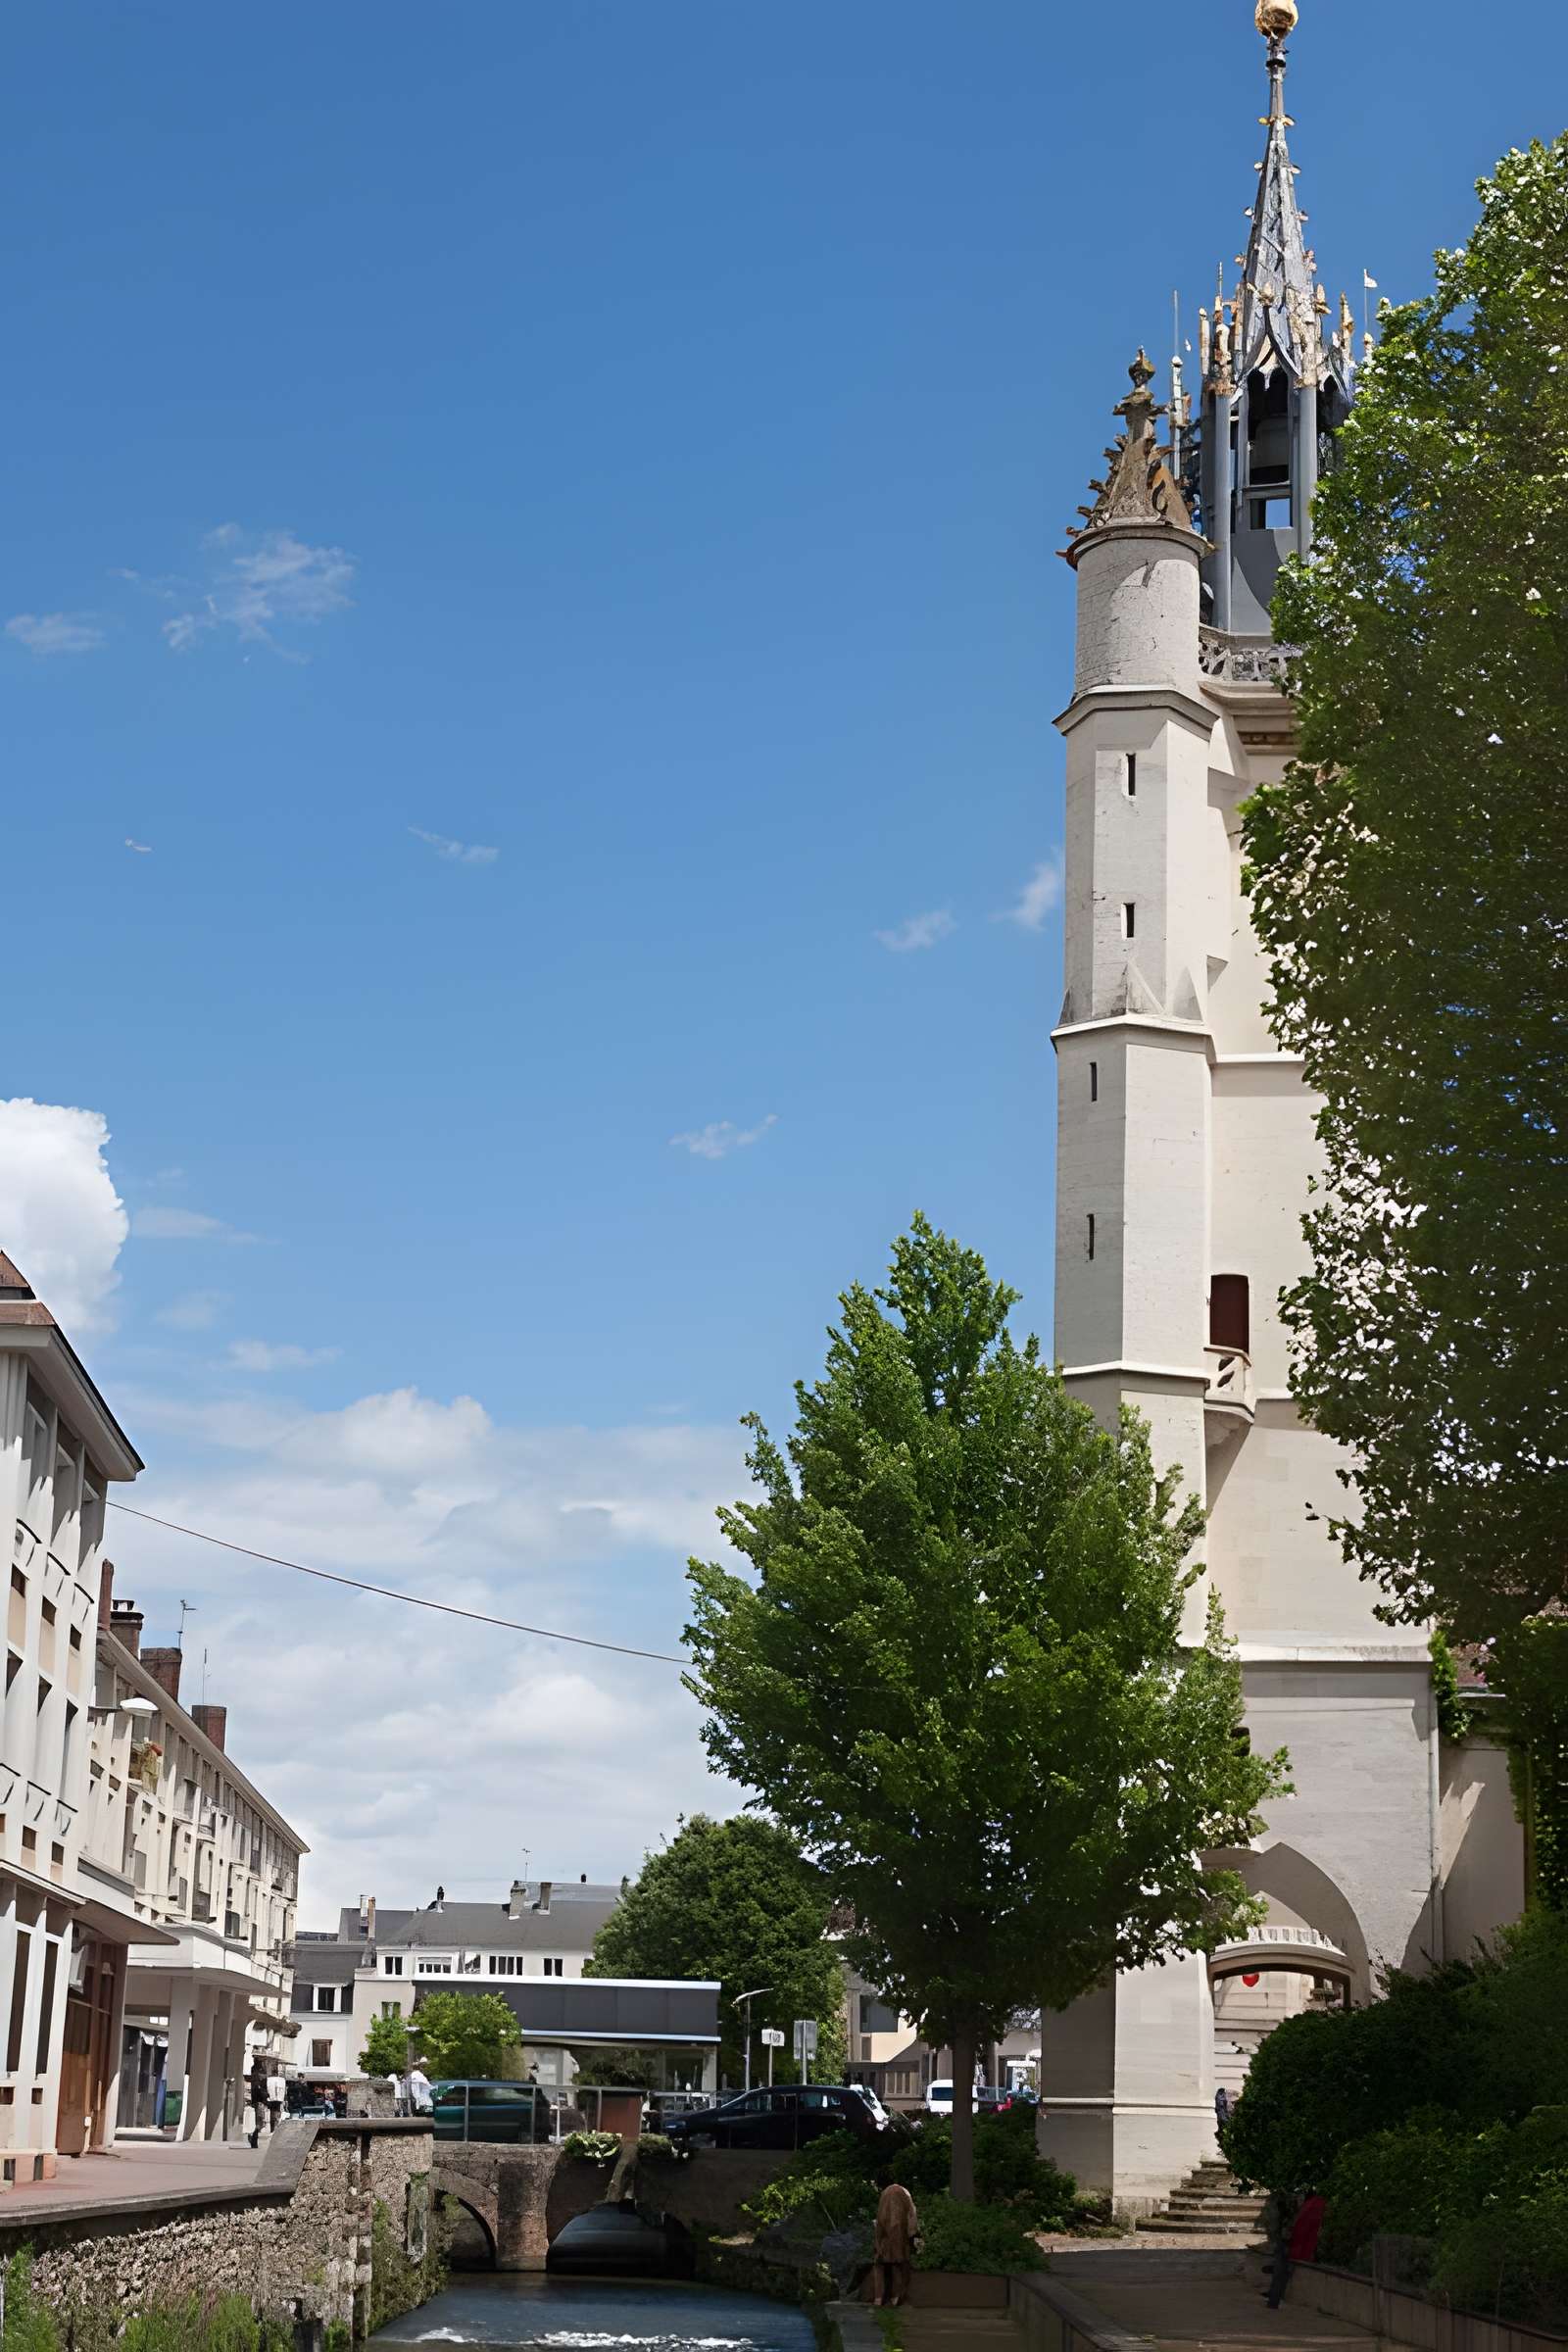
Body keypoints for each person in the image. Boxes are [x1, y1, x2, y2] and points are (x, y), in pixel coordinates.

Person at [1265, 2190, 1326, 2309]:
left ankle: (1274, 2298)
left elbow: (1298, 2231)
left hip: (1289, 2245)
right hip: (1292, 2246)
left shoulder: (1305, 2209)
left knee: (1280, 2273)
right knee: (1281, 2273)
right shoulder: (1311, 2208)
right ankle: (1274, 2297)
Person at [872, 2182, 920, 2309]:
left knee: (880, 2265)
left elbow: (880, 2220)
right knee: (899, 2265)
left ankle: (878, 2299)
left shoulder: (885, 2194)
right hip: (899, 2238)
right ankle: (895, 2298)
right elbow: (912, 2218)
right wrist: (914, 2234)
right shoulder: (904, 2193)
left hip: (885, 2238)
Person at [248, 2057, 270, 2150]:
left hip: (256, 2101)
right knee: (259, 2122)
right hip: (259, 2102)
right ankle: (253, 2138)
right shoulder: (259, 2075)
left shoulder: (254, 2072)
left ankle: (253, 2138)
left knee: (258, 2122)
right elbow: (261, 2090)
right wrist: (265, 2097)